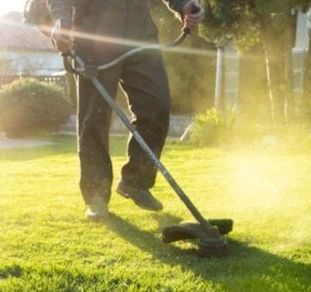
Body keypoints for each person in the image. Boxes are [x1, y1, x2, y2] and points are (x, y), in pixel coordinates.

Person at [47, 0, 205, 221]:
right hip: (94, 33)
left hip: (140, 34)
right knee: (95, 117)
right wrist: (61, 20)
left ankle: (136, 181)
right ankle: (96, 195)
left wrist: (183, 5)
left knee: (157, 106)